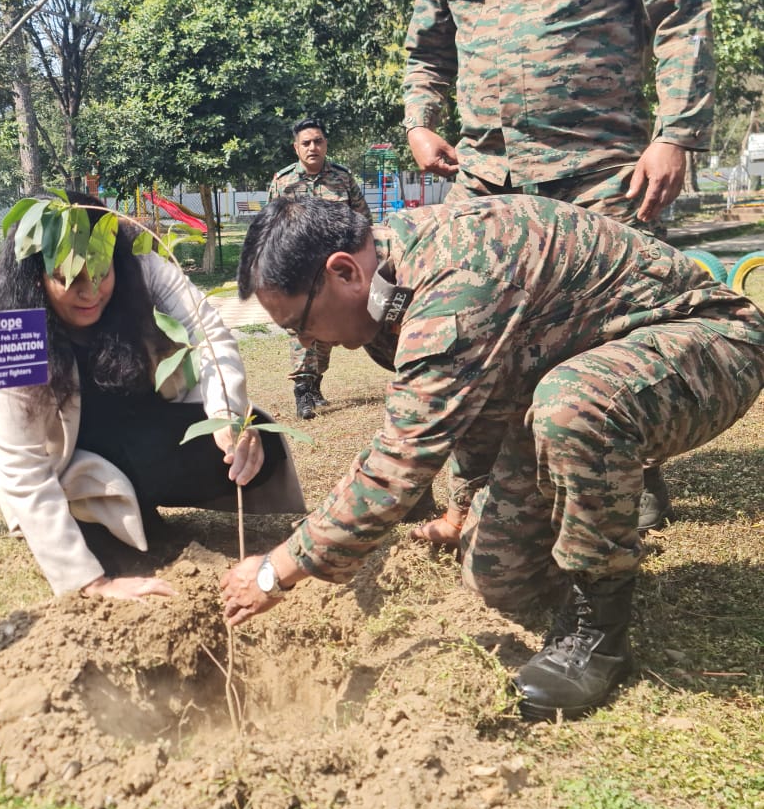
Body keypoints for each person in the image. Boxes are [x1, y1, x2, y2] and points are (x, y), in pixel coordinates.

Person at [220, 196, 764, 718]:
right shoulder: (385, 292)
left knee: (573, 407)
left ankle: (597, 631)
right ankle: (600, 497)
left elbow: (401, 461)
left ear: (344, 272)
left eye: (300, 324)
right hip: (584, 366)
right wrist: (463, 510)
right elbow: (478, 402)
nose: (309, 341)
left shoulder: (453, 282)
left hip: (707, 341)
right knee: (500, 579)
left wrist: (276, 570)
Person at [403, 0, 714, 531]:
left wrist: (675, 133)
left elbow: (679, 18)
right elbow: (425, 50)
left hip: (605, 174)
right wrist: (419, 121)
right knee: (469, 330)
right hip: (489, 179)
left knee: (607, 338)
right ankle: (477, 496)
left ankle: (626, 483)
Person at [0, 195, 304, 598]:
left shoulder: (143, 268)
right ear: (36, 278)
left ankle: (135, 506)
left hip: (137, 423)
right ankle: (95, 518)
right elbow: (16, 463)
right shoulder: (12, 329)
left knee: (260, 442)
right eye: (68, 278)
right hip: (70, 457)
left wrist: (228, 417)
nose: (88, 291)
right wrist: (88, 582)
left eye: (99, 272)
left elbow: (209, 338)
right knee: (111, 504)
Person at [267, 117, 371, 419]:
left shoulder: (342, 177)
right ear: (296, 147)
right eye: (306, 143)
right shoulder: (283, 182)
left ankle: (315, 384)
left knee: (327, 331)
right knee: (300, 328)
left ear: (325, 144)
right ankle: (302, 391)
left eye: (318, 141)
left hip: (334, 270)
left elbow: (363, 220)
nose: (313, 147)